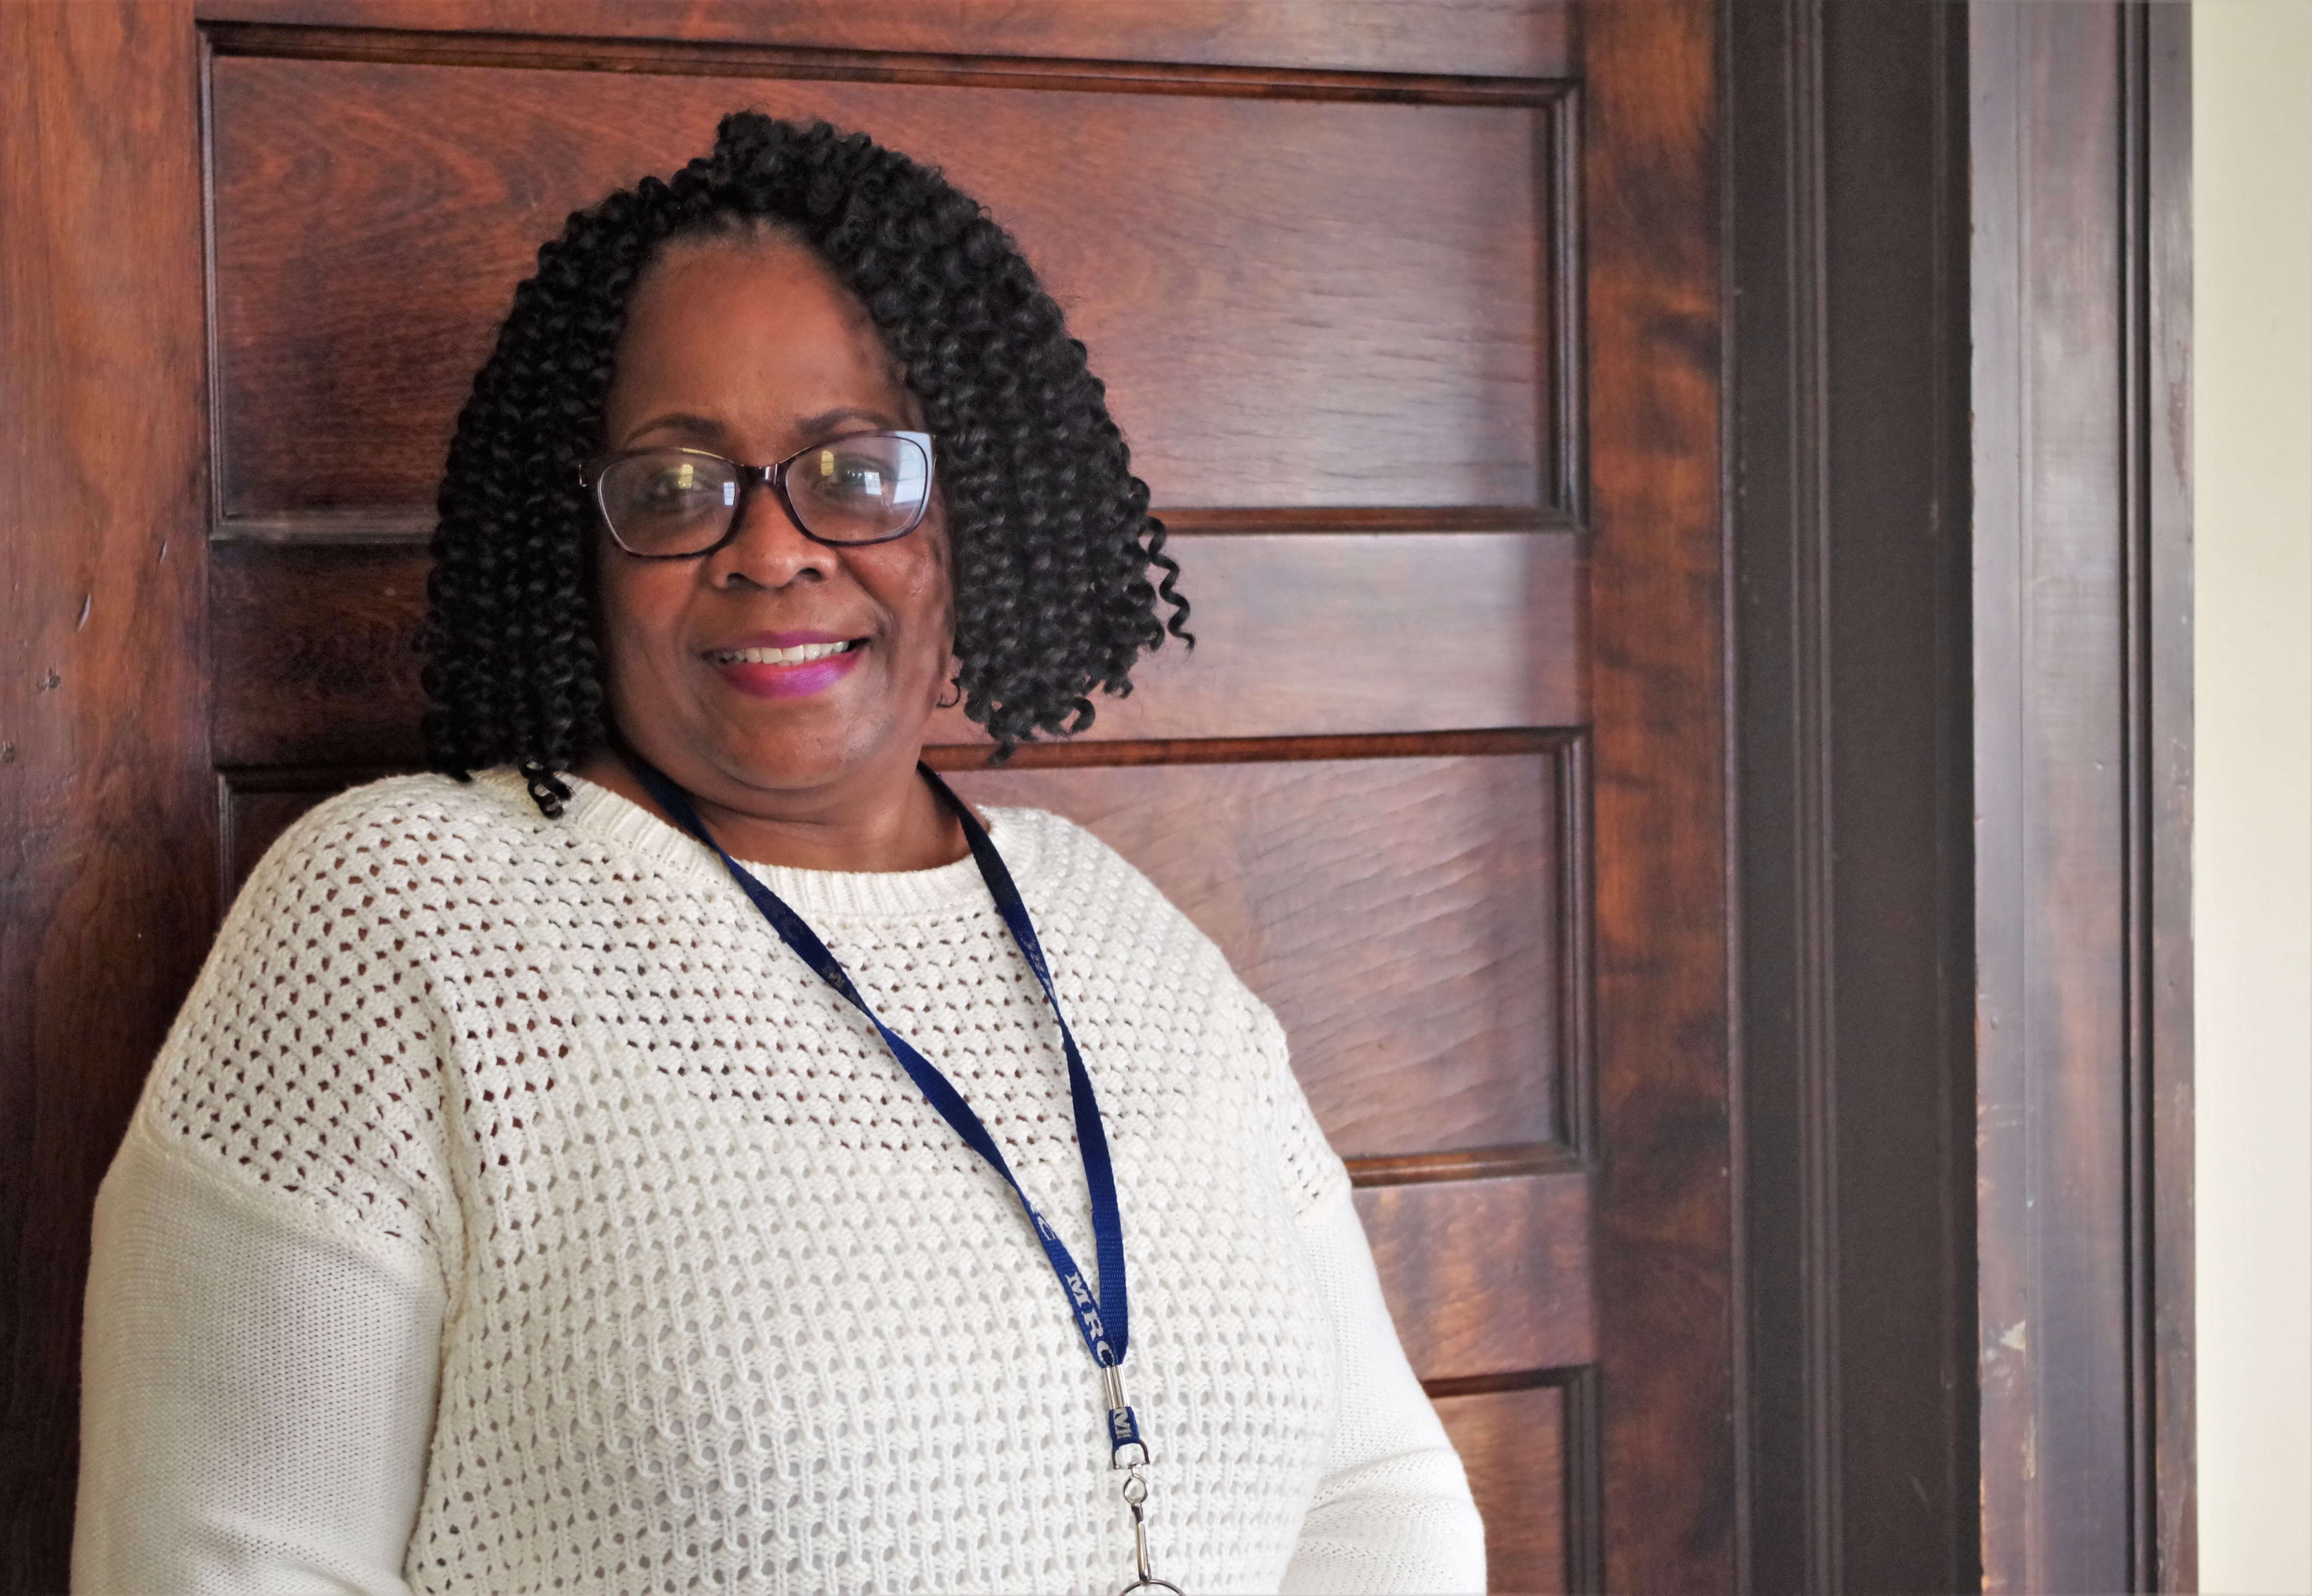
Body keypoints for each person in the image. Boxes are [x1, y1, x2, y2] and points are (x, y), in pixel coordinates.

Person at [72, 112, 1485, 1595]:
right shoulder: (402, 916)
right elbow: (223, 1563)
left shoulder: (1115, 927)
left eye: (856, 473)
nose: (770, 549)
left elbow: (1378, 1489)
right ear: (580, 547)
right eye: (675, 488)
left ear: (979, 508)